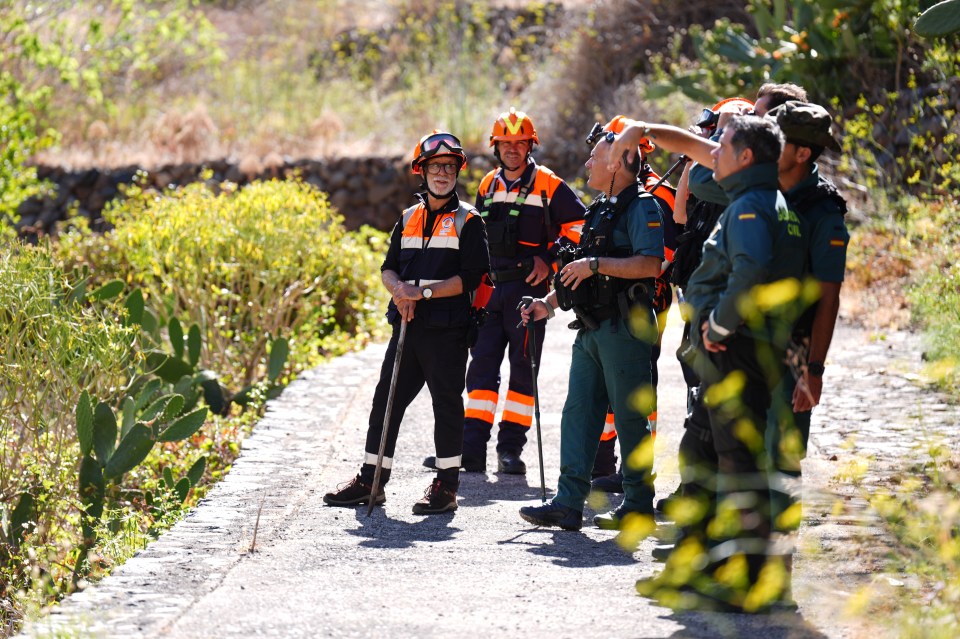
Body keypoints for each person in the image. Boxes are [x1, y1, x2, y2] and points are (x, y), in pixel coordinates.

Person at [610, 115, 806, 612]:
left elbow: (750, 272)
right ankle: (698, 571)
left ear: (745, 157)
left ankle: (749, 585)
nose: (710, 154)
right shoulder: (760, 198)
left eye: (721, 147)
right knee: (702, 459)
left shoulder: (751, 207)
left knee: (736, 469)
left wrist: (717, 326)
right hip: (735, 357)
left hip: (738, 354)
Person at [323, 130, 490, 515]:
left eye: (449, 167)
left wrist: (422, 294)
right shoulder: (408, 218)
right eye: (435, 167)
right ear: (422, 171)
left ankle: (446, 488)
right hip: (407, 328)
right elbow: (388, 268)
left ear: (457, 171)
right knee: (386, 401)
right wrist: (399, 291)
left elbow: (471, 279)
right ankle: (371, 481)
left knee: (446, 406)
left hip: (447, 331)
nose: (443, 174)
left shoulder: (470, 221)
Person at [516, 126, 665, 531]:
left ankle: (637, 505)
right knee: (578, 415)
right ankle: (568, 504)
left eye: (595, 157)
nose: (587, 163)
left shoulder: (643, 207)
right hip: (591, 329)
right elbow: (577, 270)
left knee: (631, 421)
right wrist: (546, 304)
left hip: (625, 329)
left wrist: (597, 266)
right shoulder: (599, 208)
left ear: (616, 163)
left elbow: (651, 265)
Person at [423, 108, 586, 475]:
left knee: (522, 372)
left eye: (520, 142)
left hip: (528, 292)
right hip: (490, 290)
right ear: (496, 147)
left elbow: (580, 227)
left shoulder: (549, 184)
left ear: (531, 145)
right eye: (506, 143)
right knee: (480, 370)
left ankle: (510, 450)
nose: (513, 149)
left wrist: (549, 258)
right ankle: (470, 450)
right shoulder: (487, 186)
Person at [763, 101, 849, 599]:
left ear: (799, 152)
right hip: (744, 343)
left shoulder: (823, 210)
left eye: (778, 140)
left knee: (781, 462)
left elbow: (828, 295)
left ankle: (777, 576)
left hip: (792, 348)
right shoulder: (759, 185)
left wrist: (812, 370)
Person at [585, 116, 681, 493]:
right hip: (609, 303)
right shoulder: (609, 199)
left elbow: (665, 255)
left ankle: (637, 467)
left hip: (646, 302)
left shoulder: (659, 196)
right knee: (608, 385)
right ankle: (603, 461)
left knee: (640, 385)